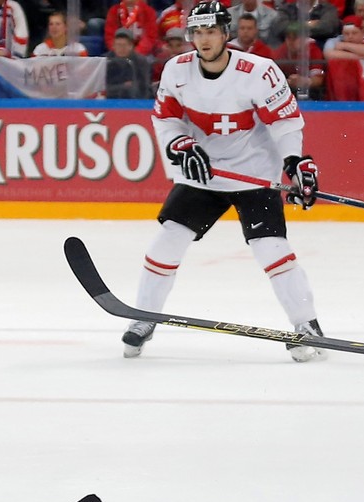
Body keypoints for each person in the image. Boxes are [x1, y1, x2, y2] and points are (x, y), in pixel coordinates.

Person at [122, 1, 326, 363]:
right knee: (168, 239)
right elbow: (165, 118)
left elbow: (285, 122)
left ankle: (307, 325)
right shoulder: (177, 70)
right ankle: (144, 318)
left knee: (271, 249)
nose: (203, 39)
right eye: (197, 32)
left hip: (254, 171)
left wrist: (294, 163)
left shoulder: (258, 71)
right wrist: (179, 143)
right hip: (205, 172)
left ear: (226, 33)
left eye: (211, 31)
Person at [106, 27, 153, 99]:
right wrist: (122, 86)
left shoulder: (141, 62)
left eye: (125, 45)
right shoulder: (106, 60)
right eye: (118, 45)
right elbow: (102, 87)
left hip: (135, 100)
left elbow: (145, 86)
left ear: (131, 46)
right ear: (114, 46)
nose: (121, 48)